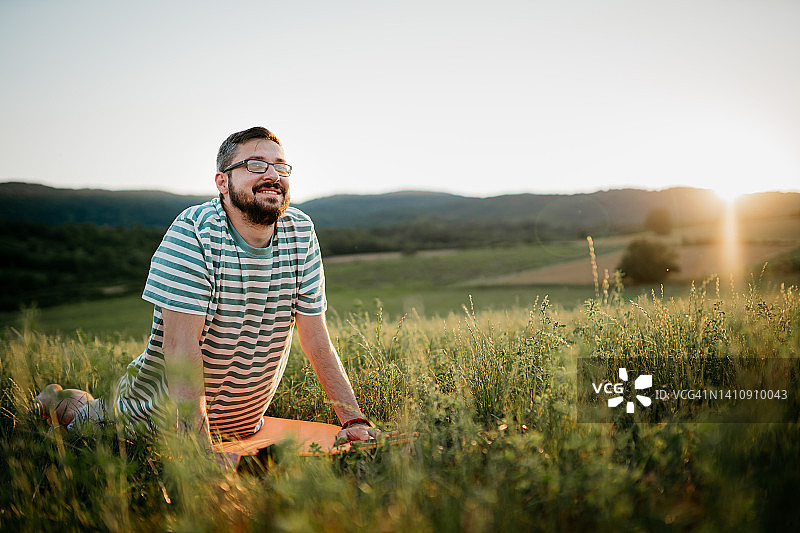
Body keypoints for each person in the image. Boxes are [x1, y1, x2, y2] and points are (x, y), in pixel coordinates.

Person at [34, 126, 374, 457]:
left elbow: (315, 338)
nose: (273, 175)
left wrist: (353, 420)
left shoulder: (300, 231)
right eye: (256, 164)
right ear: (222, 182)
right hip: (147, 422)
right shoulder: (193, 232)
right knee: (81, 418)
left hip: (243, 428)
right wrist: (198, 452)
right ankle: (54, 398)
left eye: (280, 166)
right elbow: (181, 347)